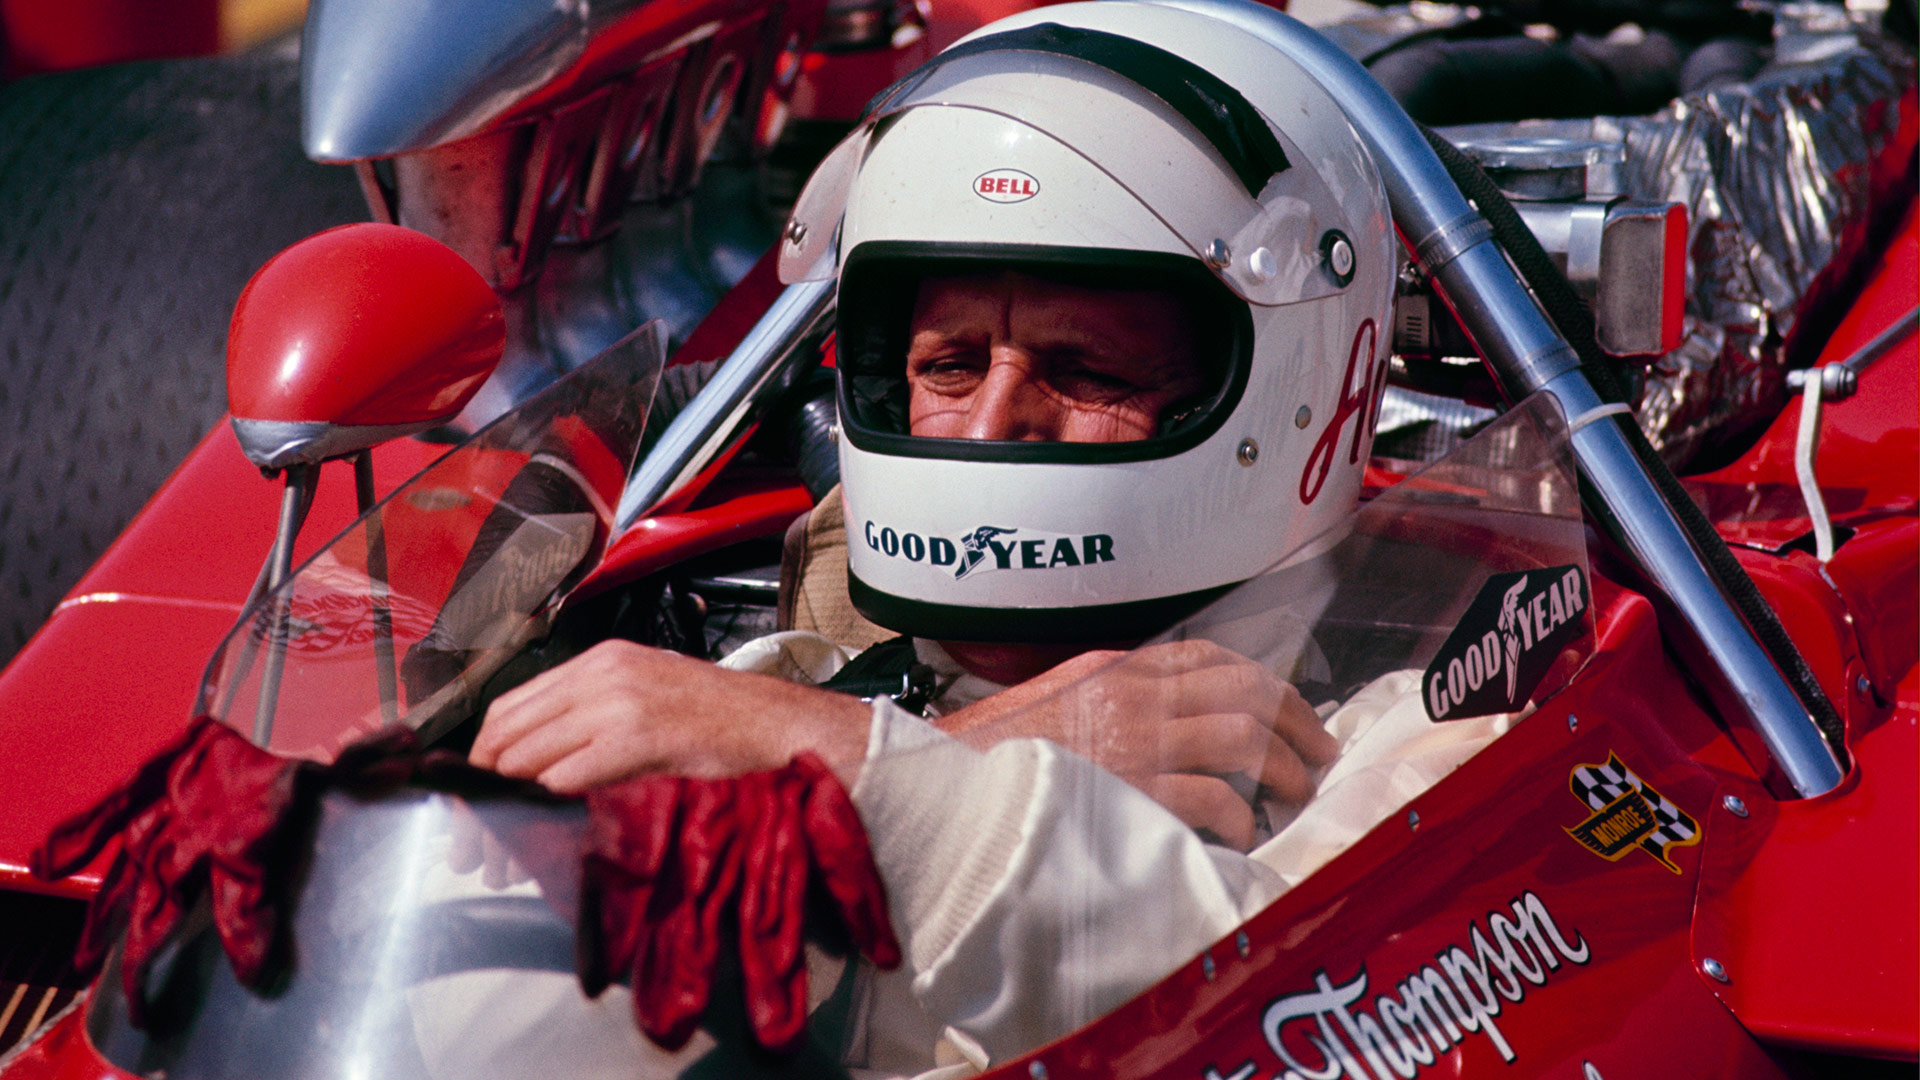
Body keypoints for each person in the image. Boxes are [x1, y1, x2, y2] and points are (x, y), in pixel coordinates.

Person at [470, 1, 1513, 1072]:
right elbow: (474, 1000)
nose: (989, 427)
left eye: (1085, 372)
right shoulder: (793, 678)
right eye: (950, 366)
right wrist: (973, 748)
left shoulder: (1439, 712)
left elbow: (1302, 990)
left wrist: (869, 776)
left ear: (1290, 393)